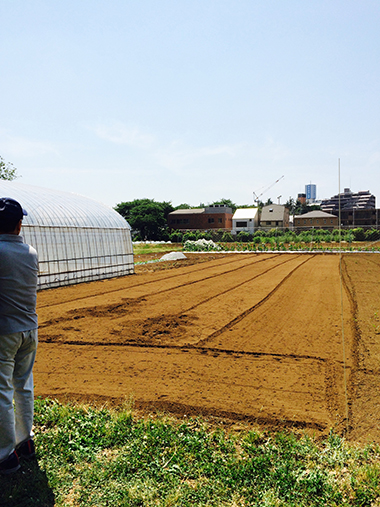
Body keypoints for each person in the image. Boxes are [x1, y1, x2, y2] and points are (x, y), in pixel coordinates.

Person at [0, 197, 38, 475]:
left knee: (1, 391)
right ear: (19, 224)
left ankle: (5, 455)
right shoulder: (30, 251)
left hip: (4, 332)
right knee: (23, 385)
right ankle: (25, 442)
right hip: (29, 329)